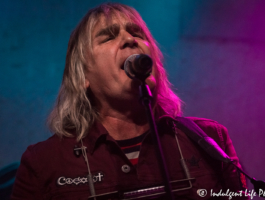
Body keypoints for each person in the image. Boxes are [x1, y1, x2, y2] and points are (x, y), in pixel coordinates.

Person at [11, 3, 247, 200]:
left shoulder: (210, 139)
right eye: (109, 37)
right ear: (83, 76)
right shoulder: (44, 162)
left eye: (137, 33)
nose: (129, 39)